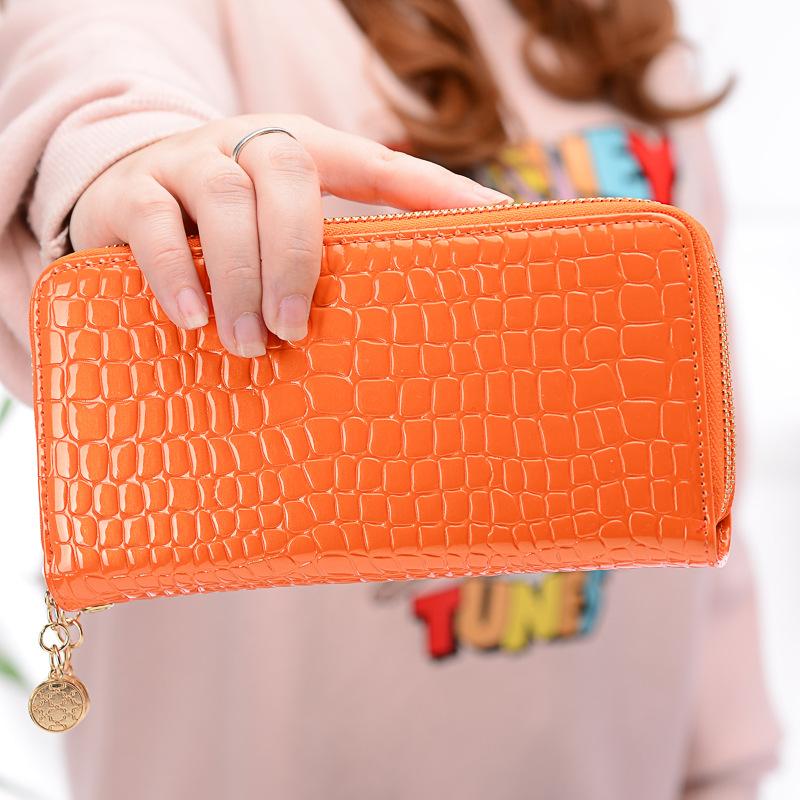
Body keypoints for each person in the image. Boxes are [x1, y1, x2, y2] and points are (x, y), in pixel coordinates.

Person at [0, 1, 780, 798]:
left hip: (620, 761)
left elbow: (697, 444)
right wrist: (130, 154)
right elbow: (91, 62)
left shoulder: (626, 28)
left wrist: (727, 763)